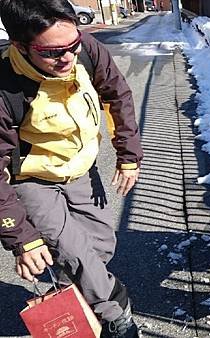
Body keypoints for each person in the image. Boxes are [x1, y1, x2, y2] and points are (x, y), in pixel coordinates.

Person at [0, 1, 143, 337]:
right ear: (21, 46)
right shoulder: (4, 86)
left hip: (80, 167)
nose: (67, 57)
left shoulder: (86, 49)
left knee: (100, 246)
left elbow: (117, 94)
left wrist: (129, 155)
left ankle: (73, 302)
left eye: (72, 45)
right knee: (74, 251)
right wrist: (22, 238)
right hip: (32, 178)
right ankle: (117, 313)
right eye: (52, 52)